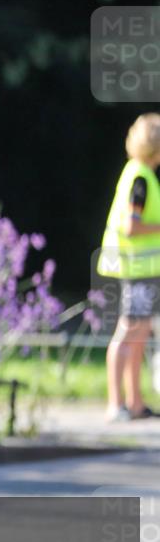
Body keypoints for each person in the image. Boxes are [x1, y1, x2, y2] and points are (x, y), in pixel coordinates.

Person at [98, 113, 160, 421]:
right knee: (128, 333)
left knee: (139, 334)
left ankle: (135, 403)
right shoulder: (140, 180)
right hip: (137, 270)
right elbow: (131, 227)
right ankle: (116, 403)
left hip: (143, 270)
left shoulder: (137, 173)